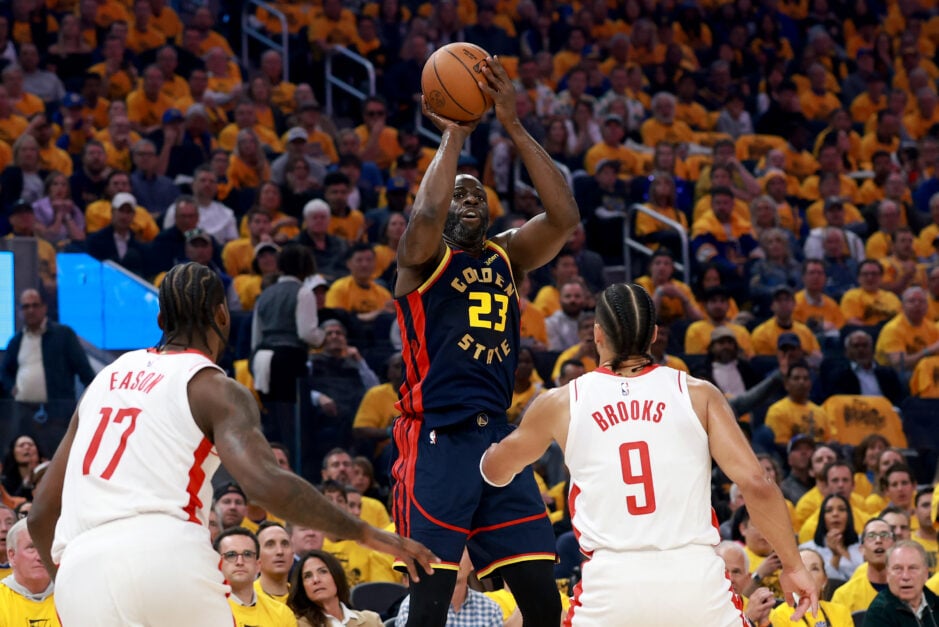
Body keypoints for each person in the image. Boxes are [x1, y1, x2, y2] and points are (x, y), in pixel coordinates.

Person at [27, 262, 437, 626]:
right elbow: (266, 485)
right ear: (223, 315)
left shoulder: (103, 381)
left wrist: (71, 582)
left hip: (81, 569)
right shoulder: (212, 387)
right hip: (162, 553)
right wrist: (365, 533)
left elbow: (41, 513)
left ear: (159, 318)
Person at [481, 283, 817, 625]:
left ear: (597, 334)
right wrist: (793, 565)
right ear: (654, 335)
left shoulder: (560, 402)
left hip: (612, 586)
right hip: (694, 582)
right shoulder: (698, 394)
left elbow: (495, 471)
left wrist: (485, 442)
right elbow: (757, 483)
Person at [391, 56, 579, 627]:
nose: (471, 200)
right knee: (430, 601)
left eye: (480, 195)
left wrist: (515, 126)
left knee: (542, 600)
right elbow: (425, 209)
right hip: (436, 437)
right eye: (461, 195)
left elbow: (564, 215)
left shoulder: (505, 254)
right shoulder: (420, 259)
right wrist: (454, 133)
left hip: (499, 437)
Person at [0, 288, 95, 430]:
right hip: (24, 414)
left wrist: (92, 405)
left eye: (35, 305)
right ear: (20, 311)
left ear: (44, 308)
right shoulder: (16, 341)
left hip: (59, 414)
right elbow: (5, 373)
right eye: (26, 306)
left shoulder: (63, 335)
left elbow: (85, 372)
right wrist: (12, 388)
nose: (31, 310)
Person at [216, 526, 298, 627]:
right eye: (231, 555)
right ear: (217, 564)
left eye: (247, 554)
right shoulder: (206, 609)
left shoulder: (282, 613)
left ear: (258, 565)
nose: (240, 562)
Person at [289, 549, 383, 627]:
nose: (316, 579)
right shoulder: (299, 625)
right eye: (307, 576)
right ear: (302, 587)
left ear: (337, 576)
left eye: (323, 571)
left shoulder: (371, 620)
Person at [767, 548, 854, 627]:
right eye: (802, 568)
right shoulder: (779, 615)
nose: (807, 574)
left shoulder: (841, 612)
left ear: (824, 581)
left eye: (814, 569)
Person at [0, 518, 59, 625]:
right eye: (31, 547)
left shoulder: (68, 595)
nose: (40, 557)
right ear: (12, 555)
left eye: (46, 547)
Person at [865, 541, 939, 625]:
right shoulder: (879, 613)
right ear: (887, 575)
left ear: (926, 574)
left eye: (912, 568)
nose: (905, 576)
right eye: (898, 569)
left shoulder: (935, 603)